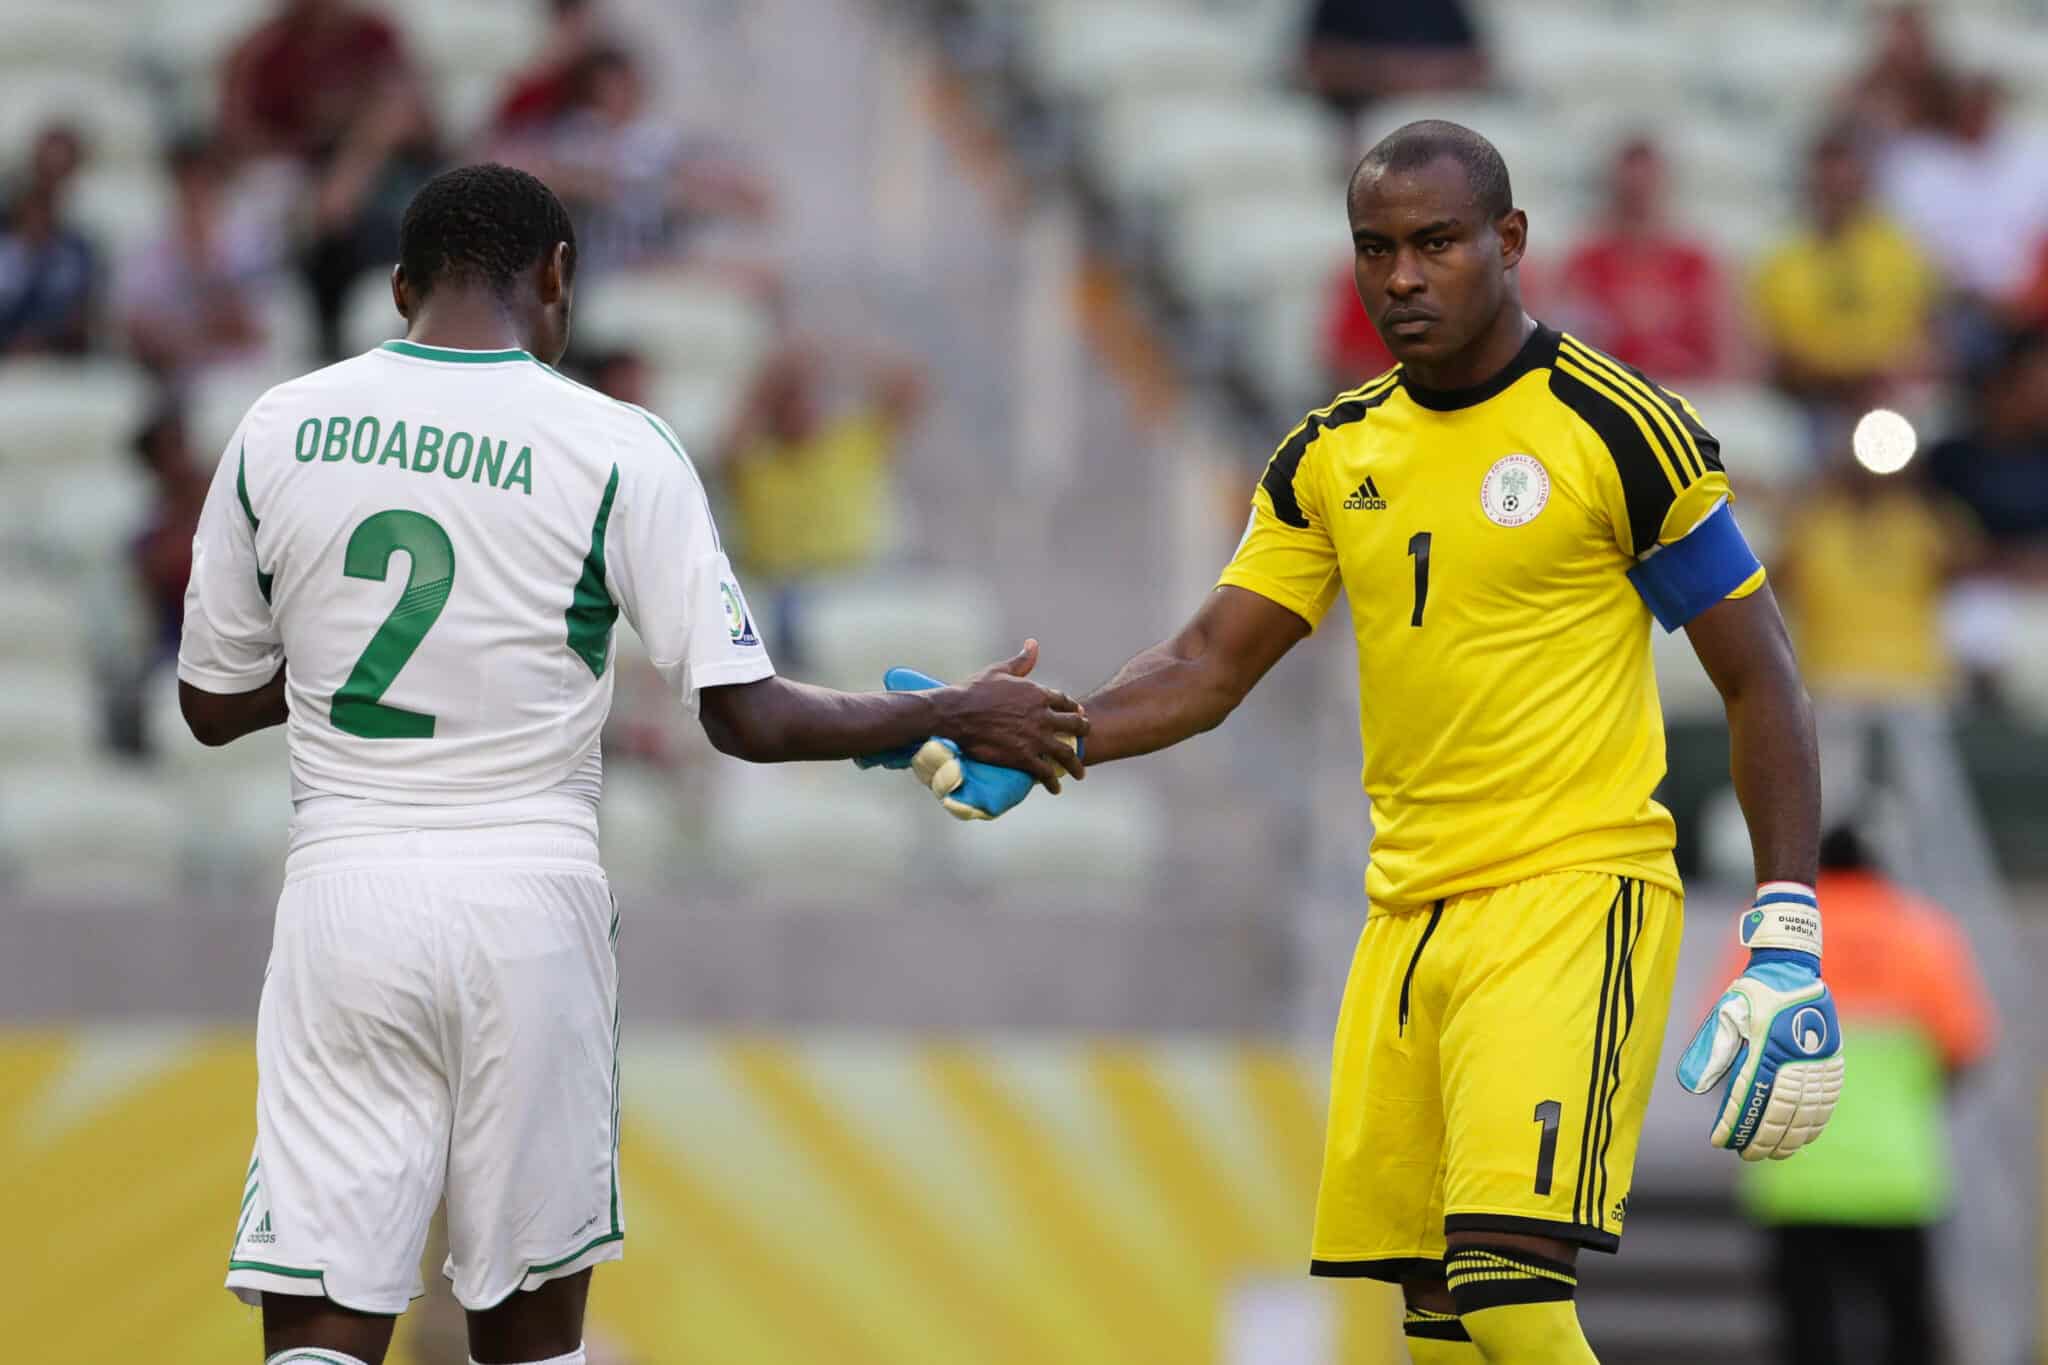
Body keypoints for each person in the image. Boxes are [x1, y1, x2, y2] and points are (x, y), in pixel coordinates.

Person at [894, 122, 1844, 1362]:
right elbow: (1206, 663)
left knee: (1508, 1293)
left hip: (1567, 895)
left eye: (1435, 244)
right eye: (1374, 249)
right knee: (1435, 1327)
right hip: (1403, 918)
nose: (1400, 277)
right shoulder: (1330, 453)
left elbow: (1760, 674)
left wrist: (1785, 927)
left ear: (1508, 241)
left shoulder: (1613, 427)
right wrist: (1053, 738)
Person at [176, 163, 1086, 1365]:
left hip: (345, 894)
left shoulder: (280, 426)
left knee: (321, 1327)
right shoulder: (615, 445)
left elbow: (209, 704)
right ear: (557, 277)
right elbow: (745, 716)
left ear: (399, 289)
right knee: (528, 1337)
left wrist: (345, 652)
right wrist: (949, 709)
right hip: (527, 904)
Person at [1719, 826, 1993, 1365]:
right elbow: (1965, 1050)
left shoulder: (1770, 944)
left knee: (1808, 1338)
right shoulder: (1923, 934)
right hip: (1897, 1180)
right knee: (1906, 1334)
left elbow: (1726, 1055)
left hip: (1796, 1180)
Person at [220, 0, 440, 358]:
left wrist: (351, 169)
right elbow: (238, 137)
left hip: (379, 191)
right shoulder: (264, 50)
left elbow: (408, 119)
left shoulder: (375, 39)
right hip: (300, 190)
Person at [720, 339, 925, 668]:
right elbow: (729, 446)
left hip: (857, 581)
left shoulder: (850, 444)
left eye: (807, 399)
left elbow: (908, 390)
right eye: (789, 401)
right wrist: (772, 379)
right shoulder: (755, 462)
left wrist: (840, 361)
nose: (801, 410)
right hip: (785, 589)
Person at [1751, 126, 1938, 427]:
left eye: (1845, 187)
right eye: (1827, 187)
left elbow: (1925, 333)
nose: (1836, 197)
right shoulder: (1780, 262)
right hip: (1814, 400)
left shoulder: (1899, 250)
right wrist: (1843, 378)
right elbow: (1776, 356)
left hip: (1889, 395)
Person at [1555, 137, 1725, 383]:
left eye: (1645, 192)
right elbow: (1567, 343)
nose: (1638, 203)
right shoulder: (1585, 264)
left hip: (1686, 389)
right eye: (1630, 193)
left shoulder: (1695, 264)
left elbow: (1723, 350)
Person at [117, 136, 275, 383]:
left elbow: (250, 327)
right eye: (188, 183)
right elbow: (136, 327)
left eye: (204, 183)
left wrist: (205, 261)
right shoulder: (148, 241)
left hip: (236, 374)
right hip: (168, 372)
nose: (195, 193)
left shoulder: (248, 242)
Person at [0, 123, 97, 357]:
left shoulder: (77, 252)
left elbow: (81, 317)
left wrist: (39, 341)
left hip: (55, 357)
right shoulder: (6, 246)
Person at [1301, 0, 1490, 120]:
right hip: (1359, 109)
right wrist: (1383, 73)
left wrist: (1427, 74)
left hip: (1439, 105)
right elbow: (1317, 61)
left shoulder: (1442, 6)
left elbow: (1476, 64)